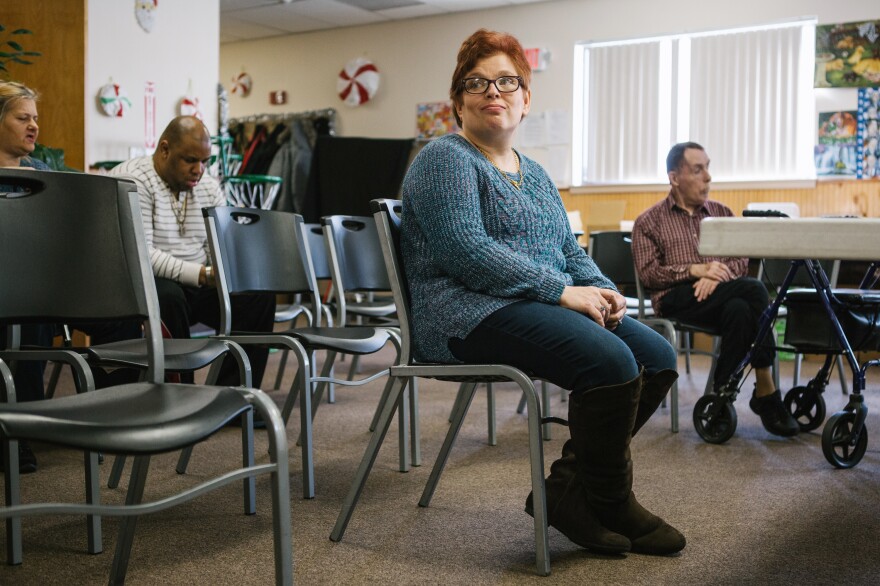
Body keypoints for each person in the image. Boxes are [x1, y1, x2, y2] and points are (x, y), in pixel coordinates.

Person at [401, 29, 684, 556]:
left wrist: (600, 288)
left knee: (657, 356)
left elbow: (568, 250)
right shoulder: (444, 158)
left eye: (507, 81)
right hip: (464, 314)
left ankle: (570, 490)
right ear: (457, 100)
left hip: (527, 304)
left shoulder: (534, 174)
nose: (493, 92)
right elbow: (465, 250)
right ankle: (611, 500)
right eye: (477, 83)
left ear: (525, 99)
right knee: (609, 362)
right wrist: (560, 291)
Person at [631, 141, 799, 437]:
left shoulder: (721, 212)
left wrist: (715, 277)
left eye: (708, 168)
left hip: (723, 297)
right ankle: (766, 387)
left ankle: (720, 397)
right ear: (674, 177)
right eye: (698, 170)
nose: (708, 176)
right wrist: (695, 271)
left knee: (741, 309)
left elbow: (740, 259)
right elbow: (648, 276)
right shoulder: (649, 221)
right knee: (756, 291)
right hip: (675, 298)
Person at [108, 116, 276, 391]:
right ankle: (180, 395)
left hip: (197, 281)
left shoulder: (208, 187)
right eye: (189, 160)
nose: (199, 170)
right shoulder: (133, 179)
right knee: (167, 297)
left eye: (205, 161)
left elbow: (220, 247)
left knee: (256, 297)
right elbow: (141, 255)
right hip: (145, 284)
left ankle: (232, 393)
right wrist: (202, 274)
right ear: (164, 150)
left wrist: (229, 269)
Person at [0, 81, 52, 473]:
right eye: (23, 118)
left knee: (34, 310)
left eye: (35, 118)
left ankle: (24, 425)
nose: (33, 126)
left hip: (34, 282)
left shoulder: (43, 173)